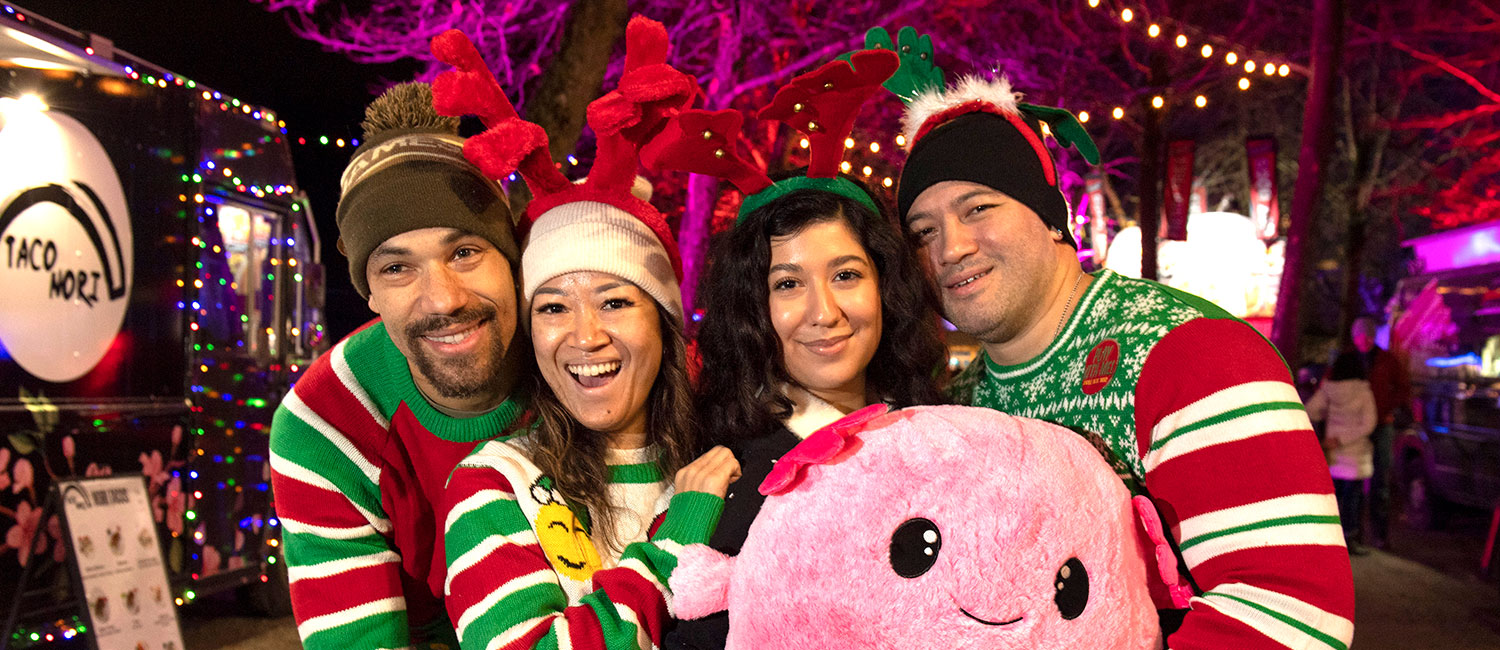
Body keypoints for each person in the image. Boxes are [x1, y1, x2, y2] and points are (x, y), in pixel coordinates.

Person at [898, 74, 1355, 649]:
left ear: (1048, 214)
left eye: (978, 207)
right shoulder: (957, 405)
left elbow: (1289, 611)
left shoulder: (1190, 353)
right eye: (923, 231)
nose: (950, 248)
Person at [430, 19, 740, 650]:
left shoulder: (728, 462)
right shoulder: (494, 485)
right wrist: (675, 540)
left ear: (666, 322)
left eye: (615, 300)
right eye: (551, 308)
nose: (584, 336)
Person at [269, 81, 529, 649]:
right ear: (369, 292)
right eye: (396, 269)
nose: (442, 299)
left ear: (510, 260)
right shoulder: (327, 420)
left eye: (465, 251)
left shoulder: (583, 361)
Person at [664, 175, 945, 650]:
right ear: (755, 308)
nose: (825, 312)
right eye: (789, 283)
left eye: (846, 275)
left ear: (885, 285)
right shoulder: (727, 483)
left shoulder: (943, 433)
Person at [1306, 352, 1377, 555]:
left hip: (1333, 453)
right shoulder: (1364, 392)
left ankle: (1326, 537)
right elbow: (1369, 423)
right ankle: (1349, 539)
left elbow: (1310, 409)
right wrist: (1345, 439)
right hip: (1355, 454)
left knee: (1332, 497)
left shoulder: (1328, 389)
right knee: (1353, 498)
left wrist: (1329, 430)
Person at [1353, 316, 1408, 549]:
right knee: (1353, 480)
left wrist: (1389, 410)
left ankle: (1379, 534)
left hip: (1381, 425)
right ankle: (1353, 531)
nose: (1364, 340)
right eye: (1360, 336)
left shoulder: (1387, 360)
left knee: (1380, 481)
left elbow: (1402, 388)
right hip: (1356, 426)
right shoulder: (1351, 359)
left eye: (1368, 336)